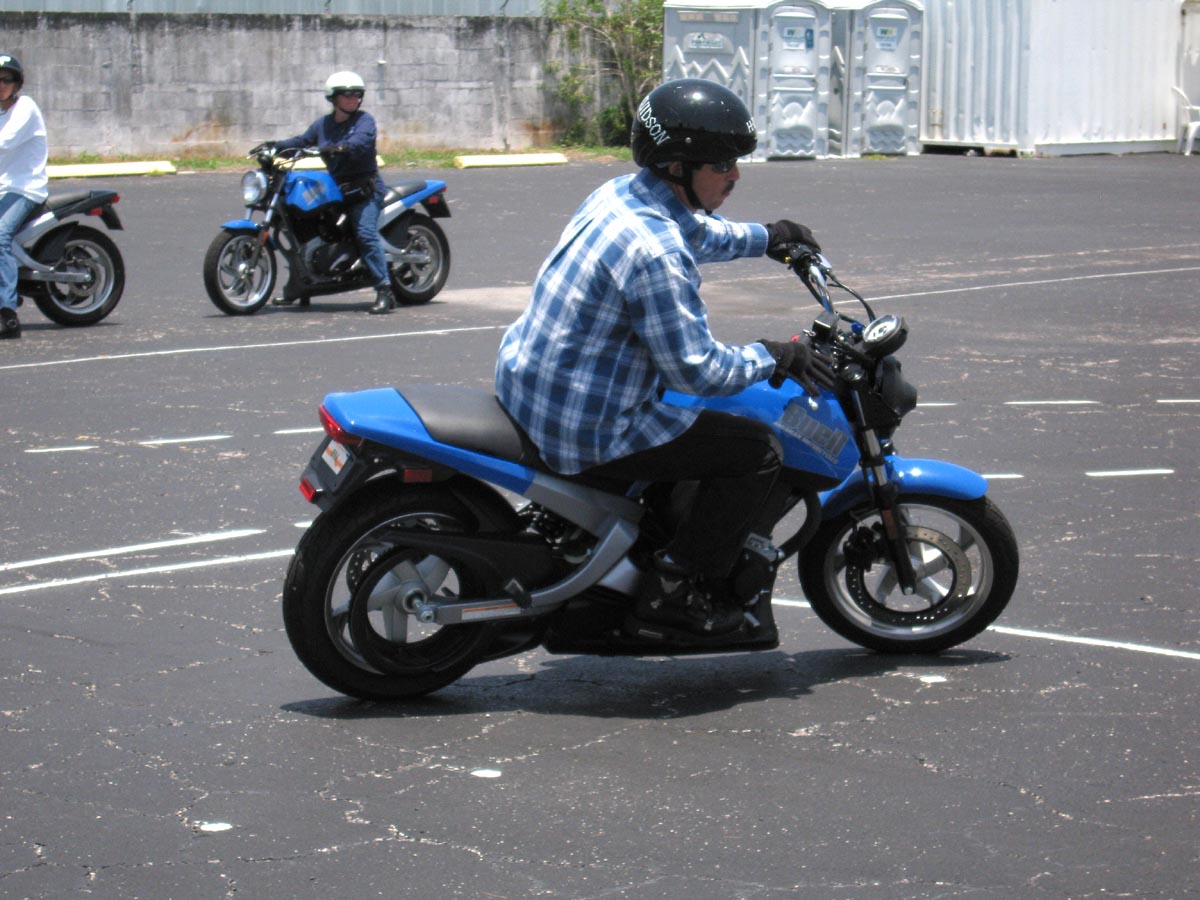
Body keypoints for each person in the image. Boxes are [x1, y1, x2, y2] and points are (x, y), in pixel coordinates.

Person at [495, 78, 834, 638]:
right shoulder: (655, 252)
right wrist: (775, 356)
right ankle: (677, 588)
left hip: (537, 384)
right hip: (586, 426)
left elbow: (695, 231)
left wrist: (768, 237)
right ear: (678, 166)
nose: (735, 175)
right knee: (757, 451)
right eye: (722, 164)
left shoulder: (621, 195)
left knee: (698, 422)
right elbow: (698, 370)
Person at [271, 71, 395, 314]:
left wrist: (341, 148)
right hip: (336, 190)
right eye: (346, 95)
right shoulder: (323, 125)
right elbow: (302, 141)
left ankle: (384, 290)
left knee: (365, 232)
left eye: (357, 94)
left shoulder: (364, 121)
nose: (352, 99)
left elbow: (361, 142)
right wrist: (275, 147)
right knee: (301, 226)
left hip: (365, 191)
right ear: (333, 98)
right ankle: (300, 285)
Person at [0, 53, 48, 340]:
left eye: (7, 79)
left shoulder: (25, 107)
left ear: (16, 83)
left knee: (0, 236)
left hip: (26, 190)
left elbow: (5, 142)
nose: (1, 84)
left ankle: (7, 314)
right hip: (4, 190)